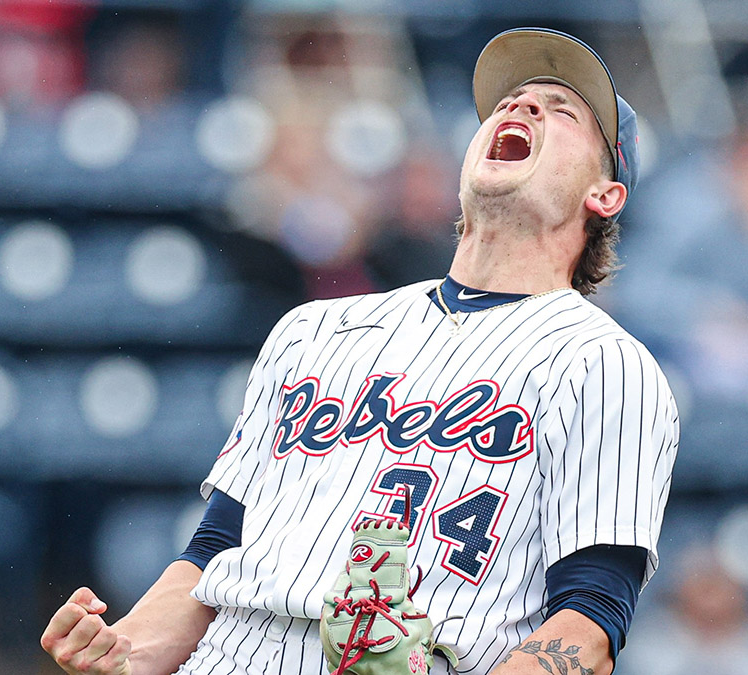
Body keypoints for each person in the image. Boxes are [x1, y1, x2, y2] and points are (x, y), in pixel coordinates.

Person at [42, 27, 679, 675]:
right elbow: (216, 548)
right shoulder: (313, 329)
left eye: (563, 109)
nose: (522, 106)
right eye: (510, 100)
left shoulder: (604, 364)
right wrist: (128, 651)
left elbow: (591, 616)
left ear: (605, 195)